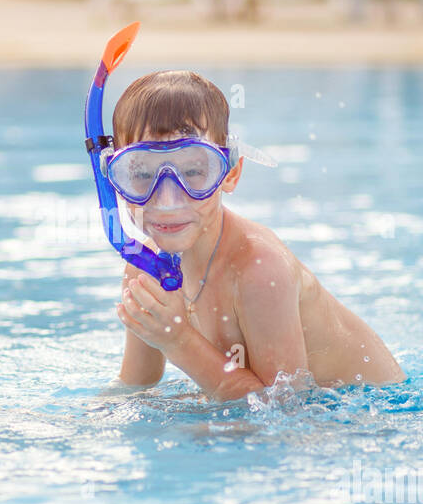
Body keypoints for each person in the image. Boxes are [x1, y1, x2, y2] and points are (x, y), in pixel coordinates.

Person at [108, 70, 404, 401]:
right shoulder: (144, 270)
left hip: (372, 410)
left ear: (230, 173)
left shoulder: (259, 269)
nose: (167, 200)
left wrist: (178, 340)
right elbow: (135, 388)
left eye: (193, 172)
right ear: (113, 180)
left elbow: (285, 407)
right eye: (141, 173)